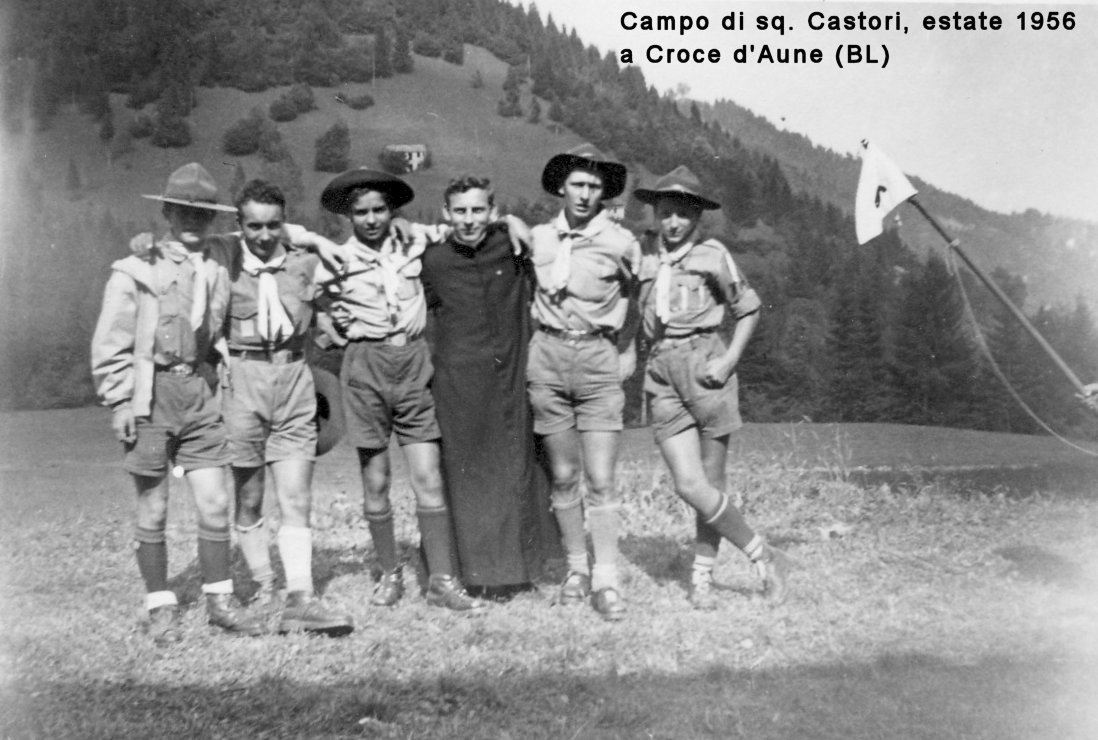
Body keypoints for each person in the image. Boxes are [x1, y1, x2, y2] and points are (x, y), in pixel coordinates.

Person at [91, 163, 263, 645]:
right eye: (183, 211)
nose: (192, 220)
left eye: (202, 213)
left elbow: (271, 231)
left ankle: (219, 603)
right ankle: (160, 605)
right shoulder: (136, 269)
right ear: (166, 212)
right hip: (151, 397)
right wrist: (119, 402)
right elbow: (111, 343)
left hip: (200, 394)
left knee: (216, 501)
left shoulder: (220, 256)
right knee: (154, 505)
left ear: (213, 219)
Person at [316, 168, 485, 612]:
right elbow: (308, 294)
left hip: (412, 361)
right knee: (376, 478)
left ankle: (442, 580)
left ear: (392, 211)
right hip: (365, 365)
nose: (372, 219)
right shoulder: (334, 259)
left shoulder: (414, 241)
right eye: (361, 212)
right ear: (348, 216)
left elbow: (462, 227)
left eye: (380, 210)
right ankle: (389, 572)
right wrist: (326, 322)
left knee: (427, 474)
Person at [633, 165, 790, 608]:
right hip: (661, 369)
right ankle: (764, 555)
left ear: (698, 217)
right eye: (666, 212)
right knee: (689, 484)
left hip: (705, 366)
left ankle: (701, 577)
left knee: (711, 481)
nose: (674, 223)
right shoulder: (643, 253)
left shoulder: (713, 255)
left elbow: (749, 307)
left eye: (683, 214)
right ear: (655, 214)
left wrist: (729, 359)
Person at [218, 179, 354, 636]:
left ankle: (301, 597)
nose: (263, 235)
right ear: (240, 226)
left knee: (296, 496)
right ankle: (264, 585)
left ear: (284, 223)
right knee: (250, 496)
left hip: (295, 379)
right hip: (243, 381)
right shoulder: (225, 262)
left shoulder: (304, 263)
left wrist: (312, 241)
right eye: (253, 226)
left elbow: (338, 287)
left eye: (273, 225)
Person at [419, 175, 560, 599]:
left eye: (478, 210)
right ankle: (473, 573)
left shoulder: (511, 248)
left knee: (519, 468)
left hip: (510, 378)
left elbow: (547, 245)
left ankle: (524, 569)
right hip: (459, 385)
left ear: (493, 212)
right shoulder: (433, 260)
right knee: (468, 476)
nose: (469, 220)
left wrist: (514, 223)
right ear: (446, 214)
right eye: (460, 211)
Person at [527, 144, 641, 620]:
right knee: (563, 474)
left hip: (597, 358)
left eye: (594, 186)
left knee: (600, 478)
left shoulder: (620, 242)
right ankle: (576, 568)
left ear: (603, 193)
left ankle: (606, 578)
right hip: (548, 357)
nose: (585, 193)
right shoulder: (537, 237)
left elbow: (643, 291)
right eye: (577, 183)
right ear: (561, 186)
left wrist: (629, 347)